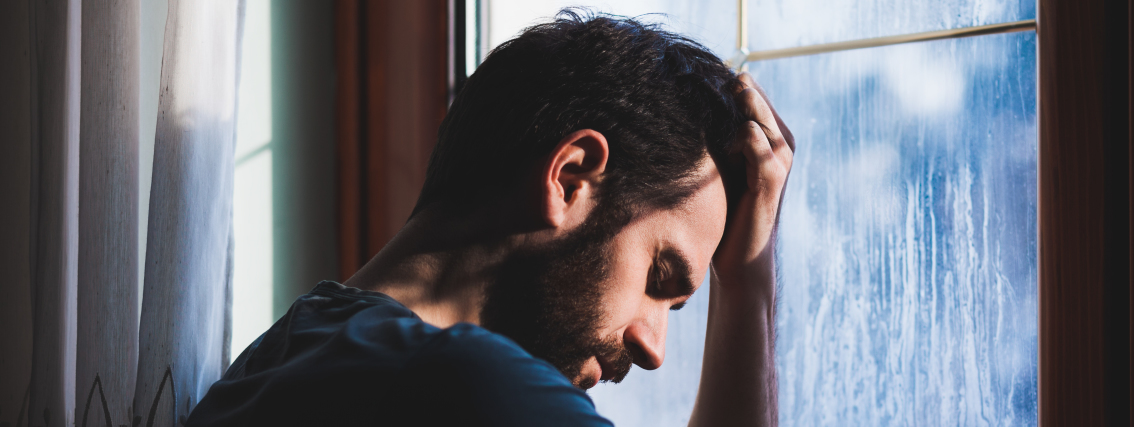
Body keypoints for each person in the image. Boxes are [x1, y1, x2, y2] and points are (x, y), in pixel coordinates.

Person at [187, 9, 793, 427]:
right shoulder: (468, 386)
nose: (652, 347)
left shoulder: (288, 355)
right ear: (571, 177)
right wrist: (750, 288)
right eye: (659, 279)